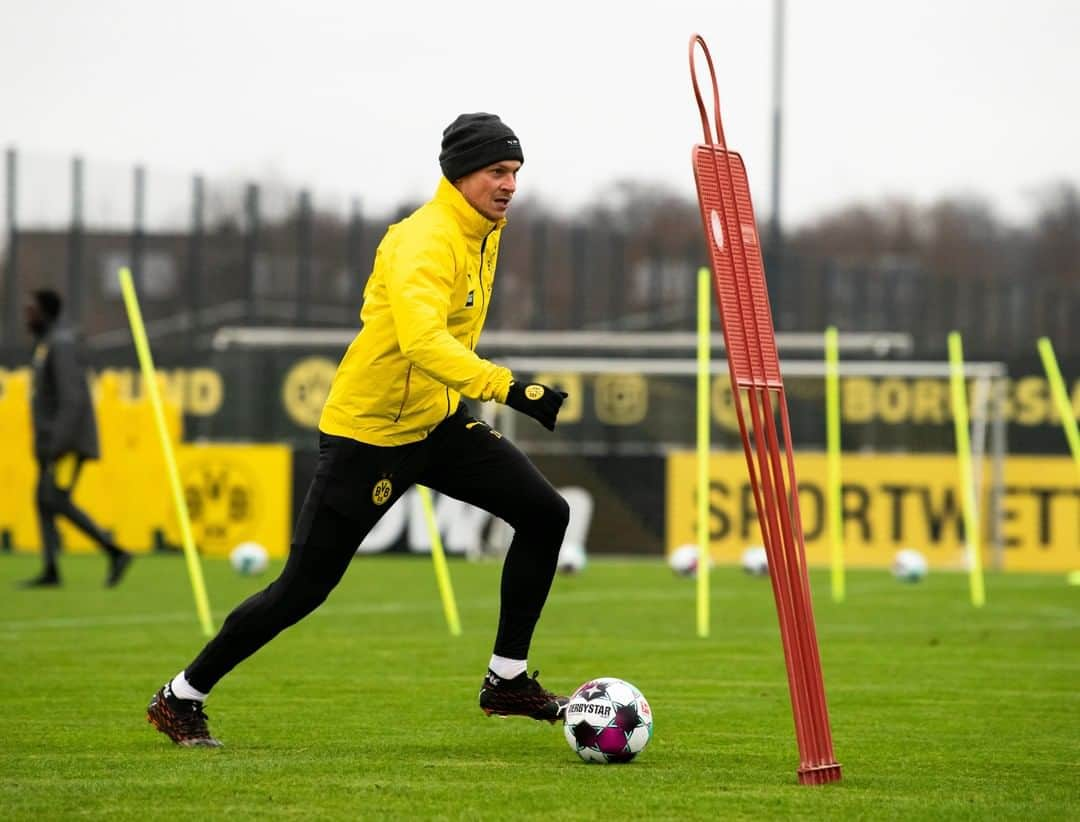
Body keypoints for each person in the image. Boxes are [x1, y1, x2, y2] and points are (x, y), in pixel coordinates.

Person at [147, 113, 571, 747]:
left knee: (545, 513)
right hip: (369, 435)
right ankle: (181, 696)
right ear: (459, 175)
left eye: (514, 172)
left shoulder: (485, 230)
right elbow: (422, 340)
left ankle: (506, 680)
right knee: (301, 590)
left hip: (436, 422)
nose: (509, 184)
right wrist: (507, 385)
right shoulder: (423, 240)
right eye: (496, 171)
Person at [19, 288, 133, 588]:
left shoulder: (61, 344)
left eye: (30, 309)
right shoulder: (47, 344)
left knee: (54, 498)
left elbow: (72, 399)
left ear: (45, 311)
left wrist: (58, 444)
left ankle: (115, 550)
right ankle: (51, 569)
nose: (26, 316)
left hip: (66, 444)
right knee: (44, 500)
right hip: (53, 443)